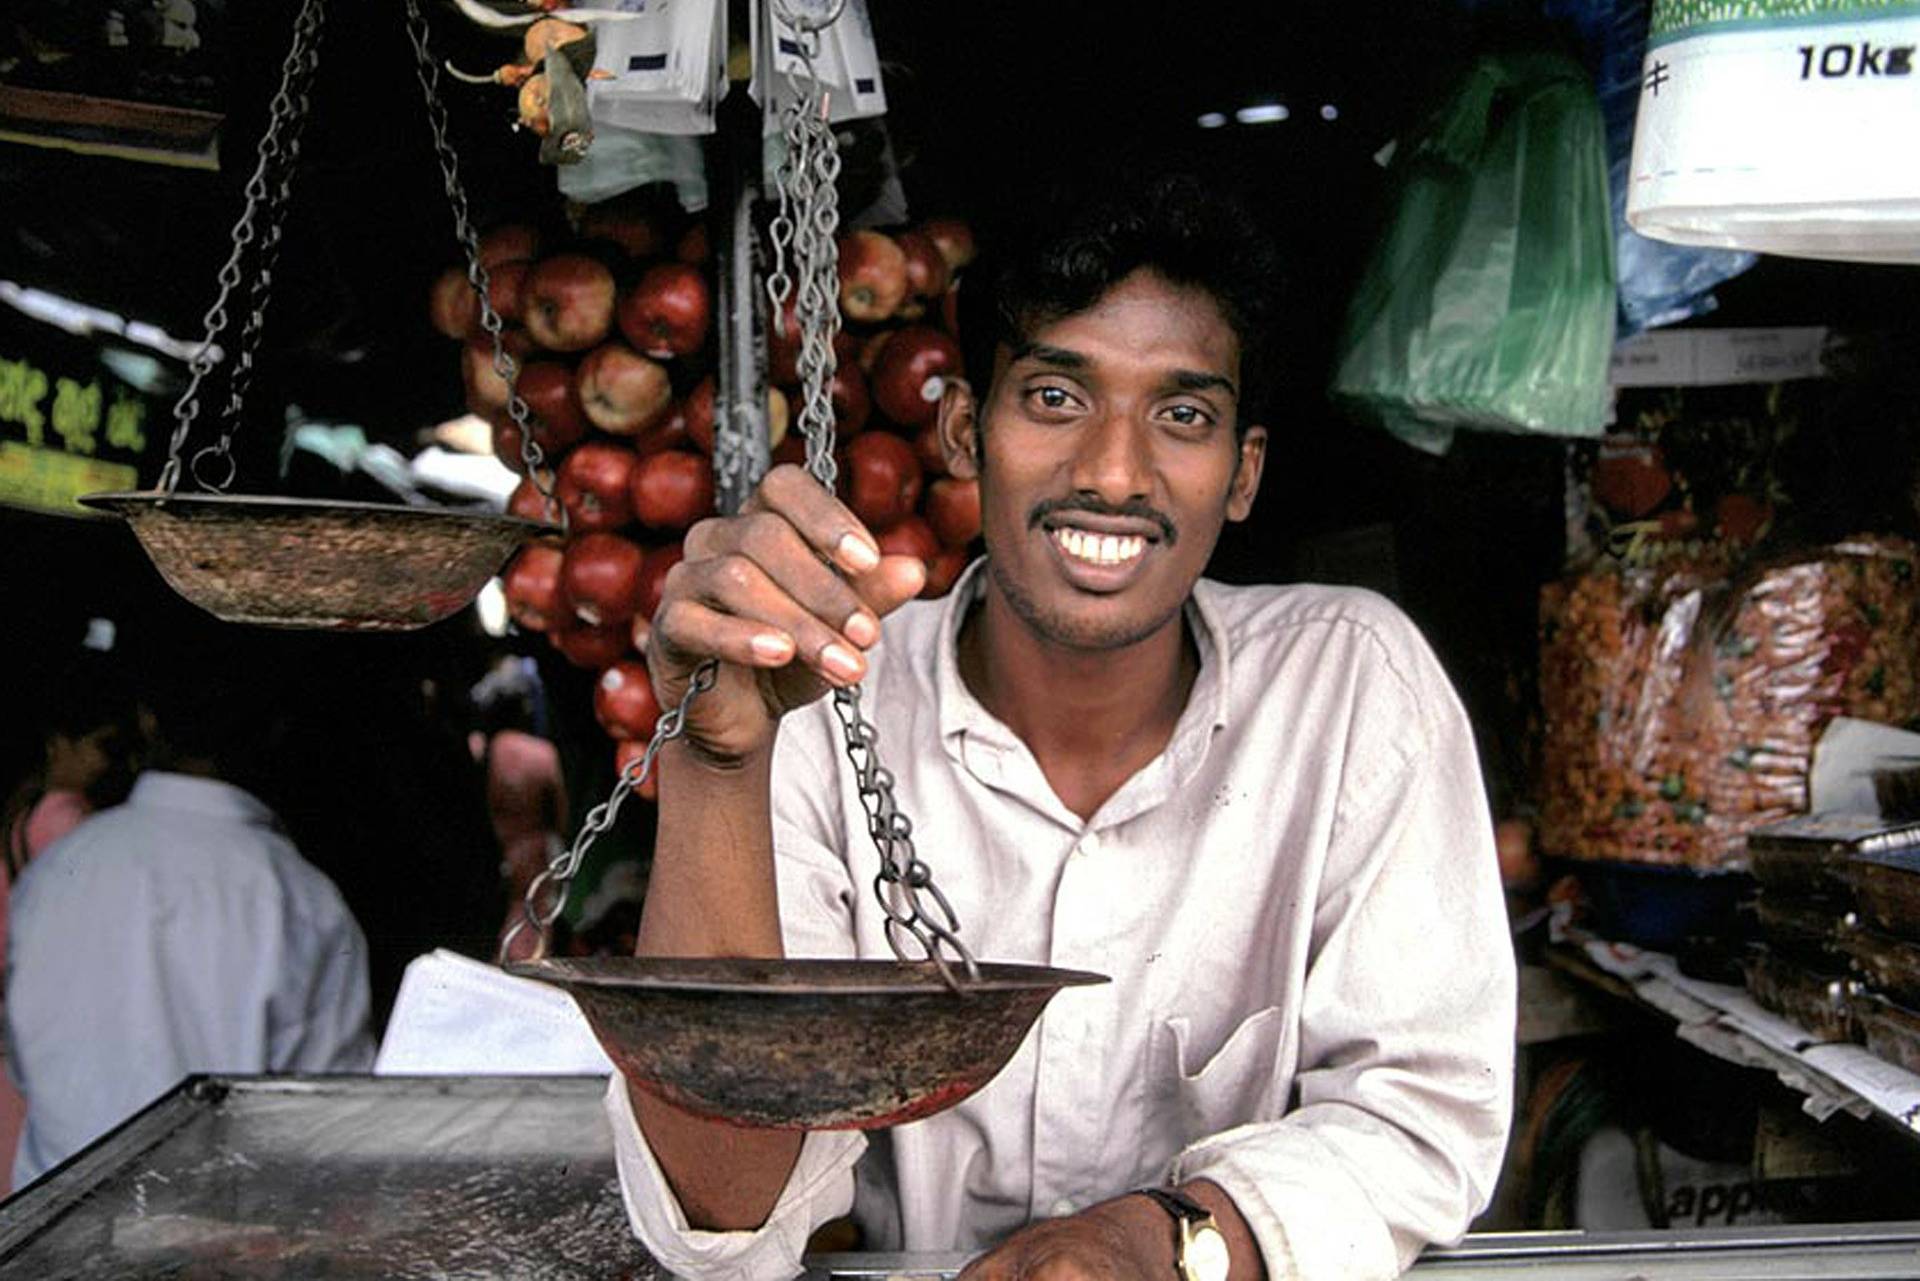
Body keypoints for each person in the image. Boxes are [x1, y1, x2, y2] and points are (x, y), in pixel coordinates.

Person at [608, 175, 1516, 1281]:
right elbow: (725, 1216)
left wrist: (1162, 1239)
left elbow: (1421, 1116)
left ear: (1244, 475)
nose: (1114, 474)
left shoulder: (1350, 687)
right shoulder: (815, 700)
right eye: (1053, 398)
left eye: (1183, 416)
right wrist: (715, 763)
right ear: (961, 432)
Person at [5, 641, 375, 1187]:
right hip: (223, 1248)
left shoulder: (59, 868)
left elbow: (25, 1060)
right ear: (280, 731)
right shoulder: (301, 899)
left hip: (53, 1243)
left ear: (149, 723)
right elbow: (329, 1123)